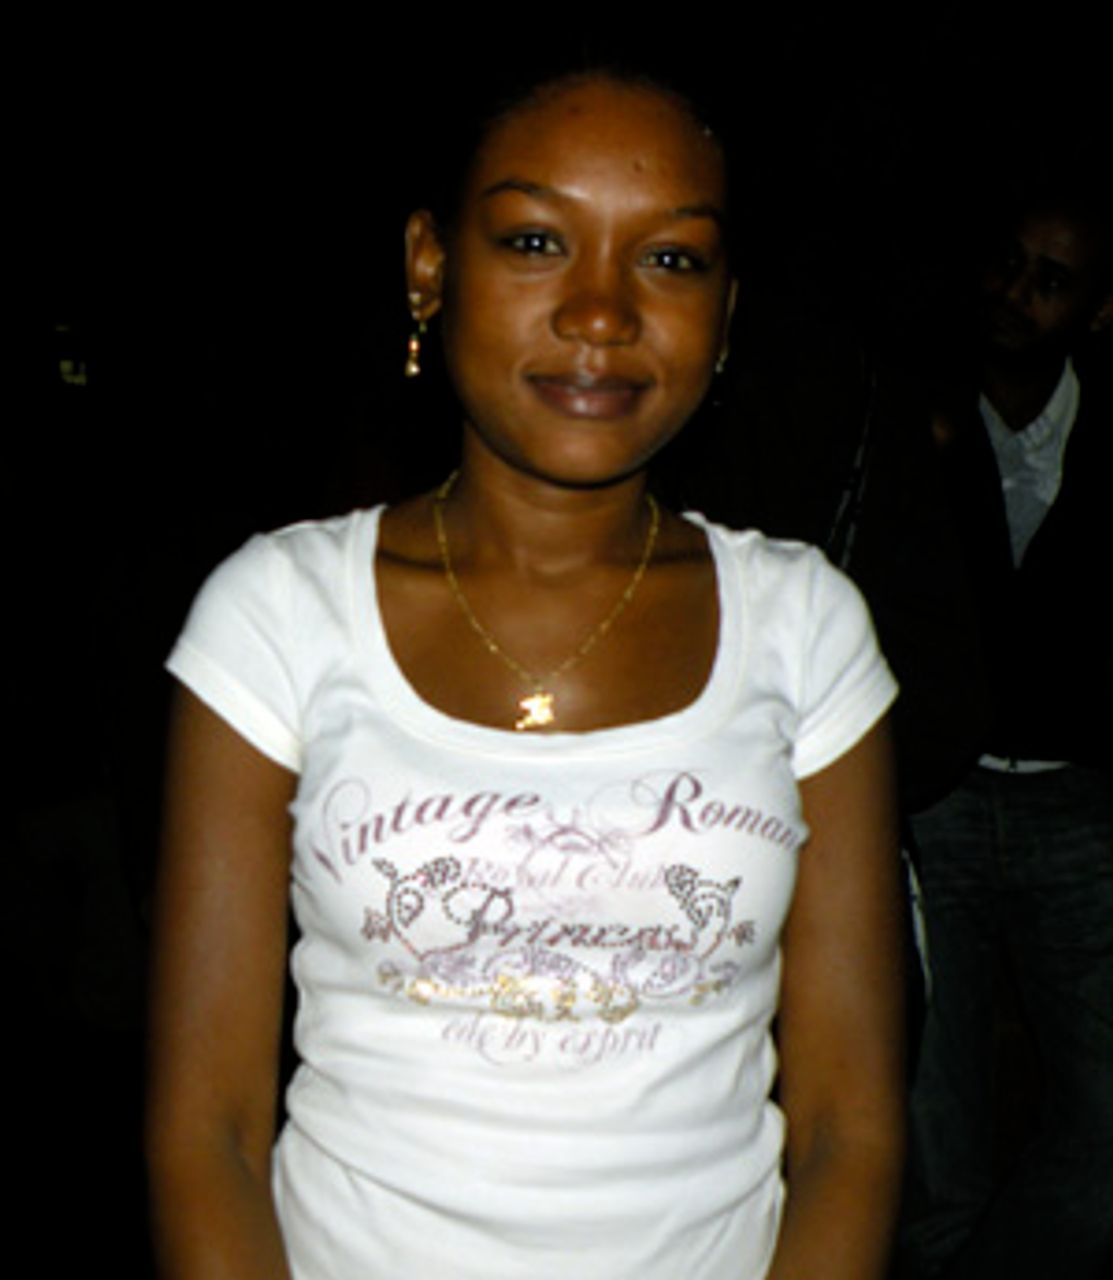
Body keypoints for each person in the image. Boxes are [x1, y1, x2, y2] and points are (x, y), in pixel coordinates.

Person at [145, 67, 904, 1279]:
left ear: (726, 311)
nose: (601, 311)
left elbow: (847, 1126)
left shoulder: (805, 627)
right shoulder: (277, 617)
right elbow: (209, 1133)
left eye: (670, 259)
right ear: (429, 265)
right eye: (538, 241)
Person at [898, 189, 1113, 1278]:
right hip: (930, 802)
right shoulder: (904, 415)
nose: (1016, 294)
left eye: (1052, 280)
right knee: (933, 1141)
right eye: (1009, 263)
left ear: (1097, 310)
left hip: (1079, 807)